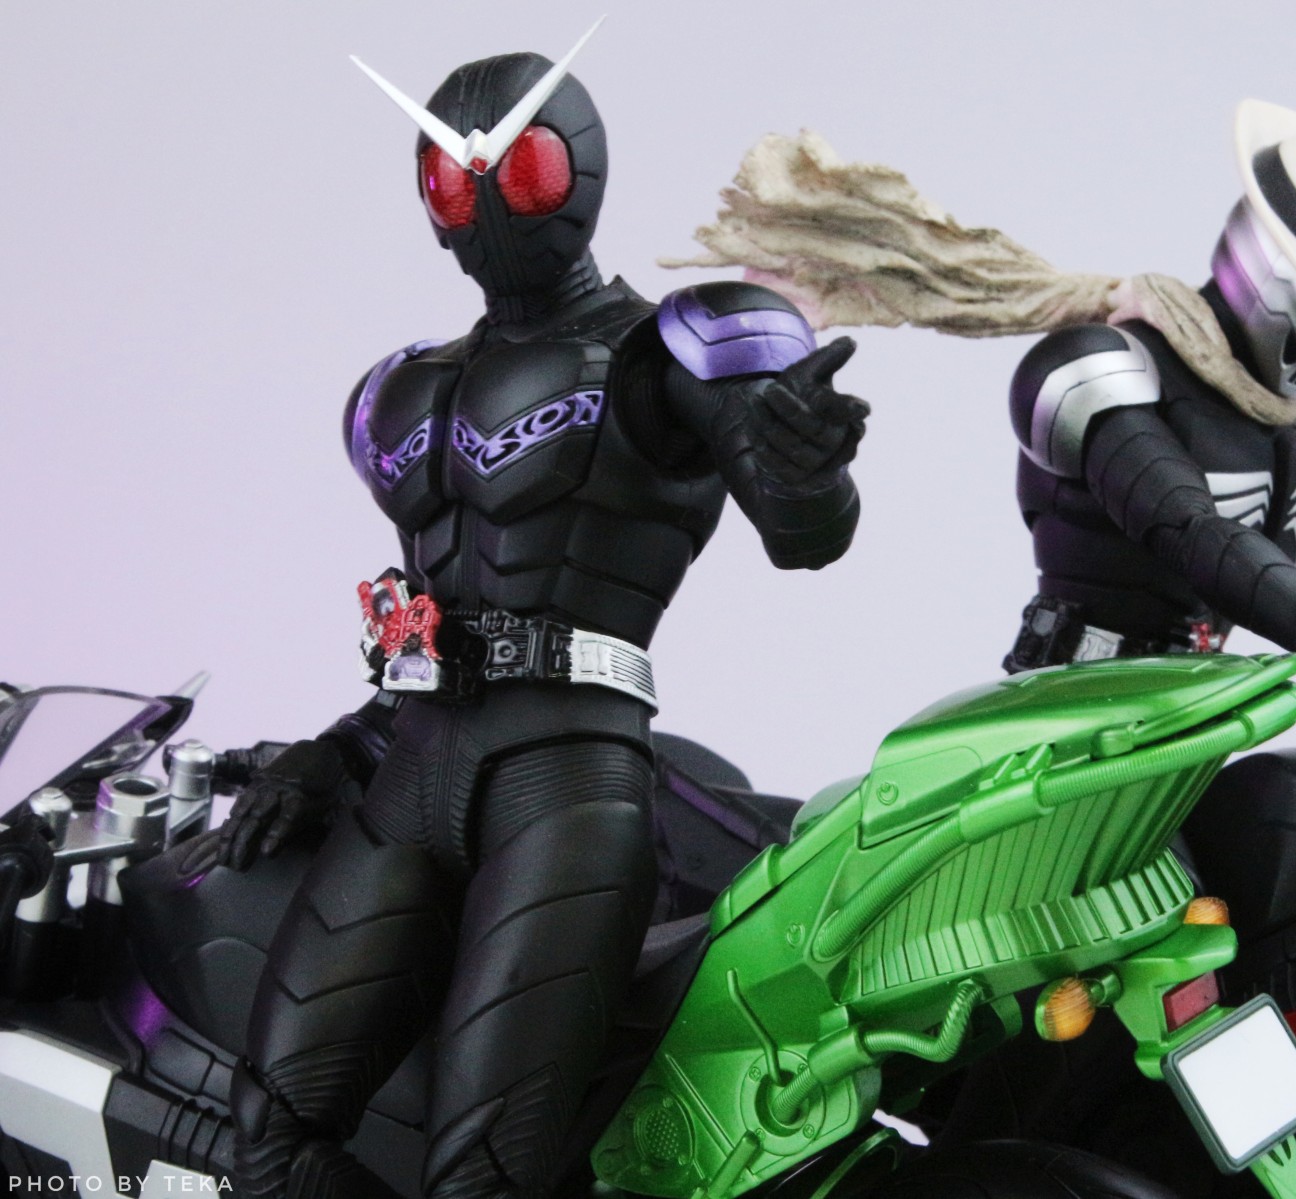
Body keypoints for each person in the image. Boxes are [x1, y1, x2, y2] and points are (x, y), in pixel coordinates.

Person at [219, 30, 869, 1199]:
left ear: (576, 171)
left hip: (563, 783)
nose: (477, 201)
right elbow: (429, 623)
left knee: (485, 1176)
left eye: (510, 170)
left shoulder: (674, 349)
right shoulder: (398, 388)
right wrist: (337, 746)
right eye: (448, 176)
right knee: (267, 1138)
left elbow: (803, 533)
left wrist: (808, 471)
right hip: (409, 774)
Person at [667, 102, 1296, 748]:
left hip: (1193, 730)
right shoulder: (1101, 371)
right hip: (1062, 731)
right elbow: (1186, 528)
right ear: (1276, 275)